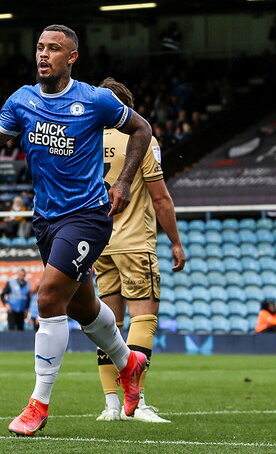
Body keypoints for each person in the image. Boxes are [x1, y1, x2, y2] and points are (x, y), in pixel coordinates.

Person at [0, 24, 152, 436]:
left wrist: (123, 181)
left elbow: (142, 129)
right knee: (83, 308)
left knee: (47, 298)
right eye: (40, 47)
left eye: (54, 49)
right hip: (46, 219)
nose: (44, 55)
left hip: (87, 216)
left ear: (72, 57)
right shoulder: (21, 100)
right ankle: (129, 363)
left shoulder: (96, 100)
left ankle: (38, 404)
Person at [92, 77, 186, 424]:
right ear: (126, 108)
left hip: (98, 243)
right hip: (134, 242)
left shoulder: (83, 137)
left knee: (108, 325)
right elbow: (160, 197)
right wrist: (175, 241)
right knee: (143, 319)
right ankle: (138, 403)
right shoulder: (140, 137)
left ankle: (111, 405)